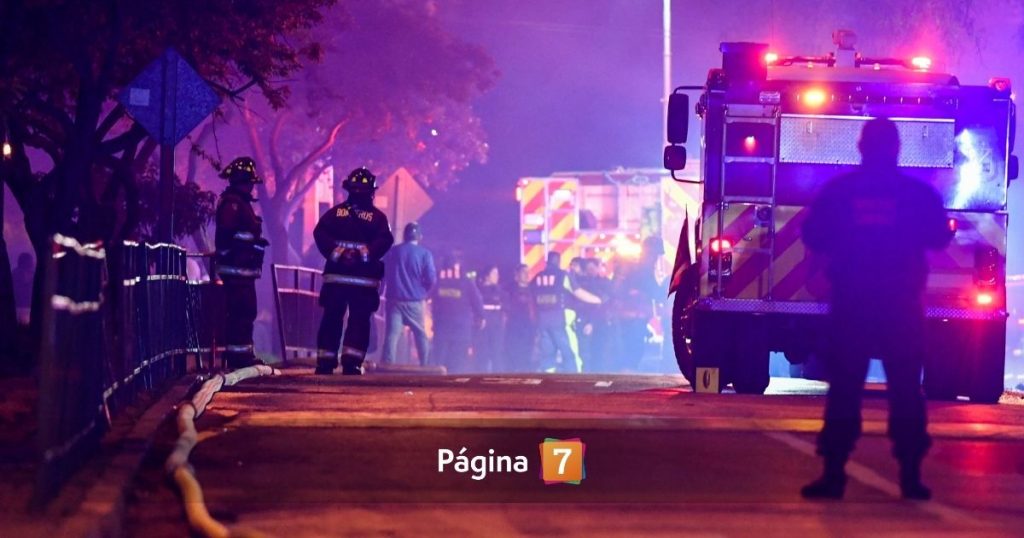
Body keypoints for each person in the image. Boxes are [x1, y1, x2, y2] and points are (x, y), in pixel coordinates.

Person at [800, 118, 951, 501]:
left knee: (845, 388)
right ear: (897, 149)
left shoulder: (841, 192)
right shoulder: (916, 194)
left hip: (852, 304)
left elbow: (814, 235)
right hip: (901, 305)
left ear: (861, 147)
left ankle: (833, 474)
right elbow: (938, 237)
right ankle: (911, 477)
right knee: (906, 390)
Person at [314, 167, 394, 375]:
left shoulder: (334, 214)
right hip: (363, 281)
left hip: (336, 278)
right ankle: (352, 363)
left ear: (348, 189)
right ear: (371, 192)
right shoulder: (378, 218)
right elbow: (385, 241)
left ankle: (325, 362)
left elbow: (319, 234)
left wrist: (338, 253)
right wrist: (363, 255)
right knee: (359, 320)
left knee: (331, 318)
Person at [214, 157, 269, 369]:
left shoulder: (240, 203)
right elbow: (227, 237)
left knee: (246, 313)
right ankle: (238, 358)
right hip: (236, 271)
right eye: (249, 183)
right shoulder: (233, 204)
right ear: (241, 182)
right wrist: (244, 248)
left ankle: (243, 355)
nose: (251, 187)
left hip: (242, 271)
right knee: (240, 313)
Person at [531, 251, 601, 373]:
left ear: (547, 261)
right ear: (558, 262)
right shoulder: (563, 276)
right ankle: (575, 380)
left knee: (547, 356)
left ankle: (548, 380)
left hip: (543, 321)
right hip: (561, 321)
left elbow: (531, 298)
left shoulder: (537, 277)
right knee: (570, 354)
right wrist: (597, 300)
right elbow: (578, 292)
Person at [382, 222, 436, 366]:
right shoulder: (425, 254)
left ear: (404, 236)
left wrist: (382, 290)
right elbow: (431, 279)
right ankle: (425, 365)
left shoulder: (392, 252)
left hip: (394, 301)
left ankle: (386, 367)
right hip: (415, 302)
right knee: (420, 335)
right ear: (420, 237)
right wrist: (422, 291)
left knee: (392, 335)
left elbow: (383, 273)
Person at [431, 254, 483, 374]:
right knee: (457, 362)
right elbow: (476, 299)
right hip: (461, 328)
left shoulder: (437, 278)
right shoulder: (465, 280)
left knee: (440, 362)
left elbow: (426, 294)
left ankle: (439, 382)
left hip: (442, 326)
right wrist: (480, 316)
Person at [503, 264, 535, 372]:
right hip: (513, 327)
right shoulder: (509, 289)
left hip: (529, 326)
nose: (527, 274)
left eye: (528, 272)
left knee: (527, 352)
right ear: (517, 275)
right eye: (523, 272)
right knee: (514, 352)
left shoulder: (533, 289)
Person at [475, 265, 505, 373]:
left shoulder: (500, 291)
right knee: (482, 355)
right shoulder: (478, 291)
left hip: (496, 327)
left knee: (497, 355)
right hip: (483, 328)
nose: (497, 276)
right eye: (494, 273)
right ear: (487, 276)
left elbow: (505, 308)